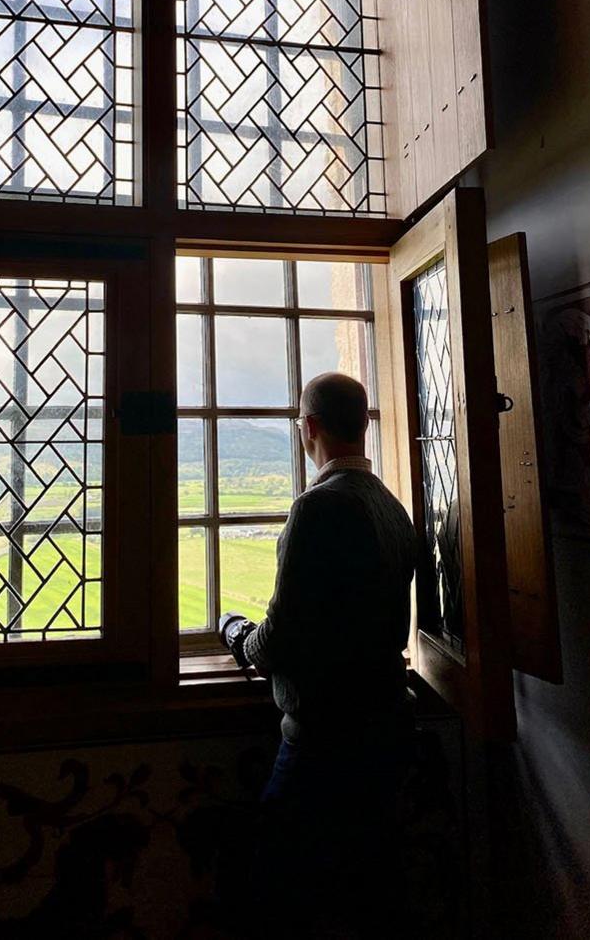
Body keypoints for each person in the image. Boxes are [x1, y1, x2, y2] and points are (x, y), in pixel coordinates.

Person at [218, 372, 419, 938]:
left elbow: (279, 636)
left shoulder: (316, 508)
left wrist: (236, 635)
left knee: (276, 894)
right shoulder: (392, 507)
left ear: (309, 427)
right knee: (366, 896)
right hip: (388, 727)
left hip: (327, 742)